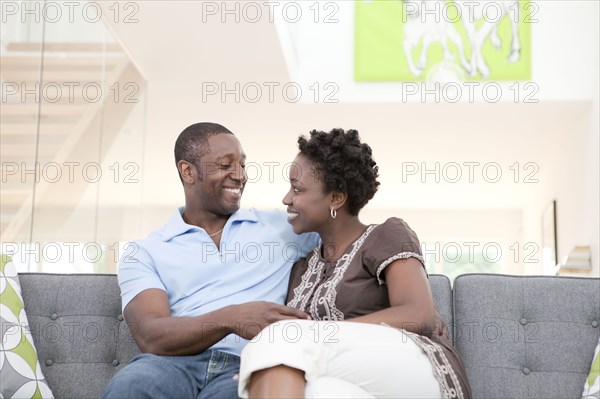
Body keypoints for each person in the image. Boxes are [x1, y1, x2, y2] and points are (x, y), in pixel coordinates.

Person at [238, 128, 472, 398]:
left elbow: (418, 315)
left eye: (297, 188)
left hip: (415, 369)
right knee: (315, 390)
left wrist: (284, 344)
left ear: (336, 198)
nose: (286, 199)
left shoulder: (385, 235)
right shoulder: (303, 268)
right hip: (352, 381)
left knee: (281, 338)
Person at [101, 122, 318, 398]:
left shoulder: (283, 228)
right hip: (171, 365)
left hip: (248, 363)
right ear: (188, 171)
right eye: (226, 165)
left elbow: (352, 242)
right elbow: (151, 335)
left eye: (242, 165)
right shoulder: (145, 252)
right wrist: (231, 317)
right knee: (130, 386)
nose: (240, 176)